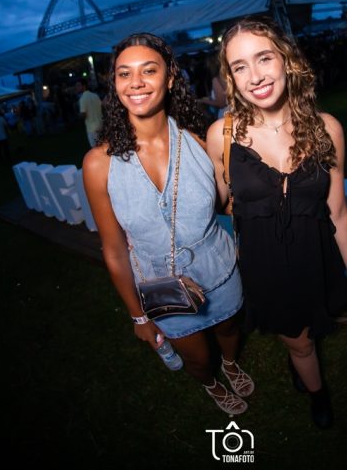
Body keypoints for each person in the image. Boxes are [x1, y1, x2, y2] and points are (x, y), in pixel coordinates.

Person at [206, 16, 347, 429]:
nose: (255, 76)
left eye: (264, 58)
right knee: (300, 342)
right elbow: (219, 203)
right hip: (264, 263)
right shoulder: (221, 135)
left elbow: (337, 210)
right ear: (231, 78)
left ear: (286, 59)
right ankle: (319, 394)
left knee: (308, 329)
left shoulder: (327, 129)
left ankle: (301, 361)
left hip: (314, 255)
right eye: (240, 66)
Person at [82, 33, 254, 415]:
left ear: (171, 78)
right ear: (114, 84)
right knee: (198, 359)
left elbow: (226, 205)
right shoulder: (98, 164)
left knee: (229, 330)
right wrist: (138, 316)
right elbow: (114, 250)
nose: (136, 82)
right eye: (124, 73)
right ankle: (211, 382)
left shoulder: (199, 142)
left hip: (220, 266)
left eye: (149, 70)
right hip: (160, 285)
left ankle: (230, 363)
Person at [76, 78, 103, 147]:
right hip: (101, 125)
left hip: (92, 129)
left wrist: (78, 116)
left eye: (78, 85)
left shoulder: (82, 98)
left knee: (95, 149)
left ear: (84, 86)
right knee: (102, 147)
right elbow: (101, 106)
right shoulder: (95, 95)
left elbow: (83, 114)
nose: (77, 87)